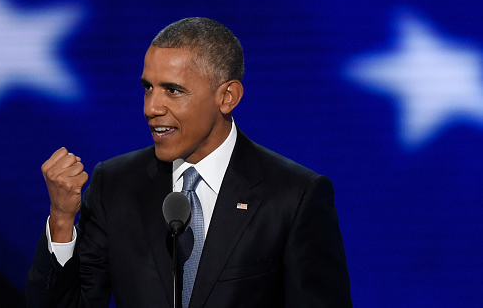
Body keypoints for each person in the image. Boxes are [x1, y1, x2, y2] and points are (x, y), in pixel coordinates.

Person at [26, 17, 352, 307]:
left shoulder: (294, 196)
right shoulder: (115, 184)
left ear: (227, 97)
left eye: (173, 90)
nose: (151, 107)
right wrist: (62, 219)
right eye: (148, 88)